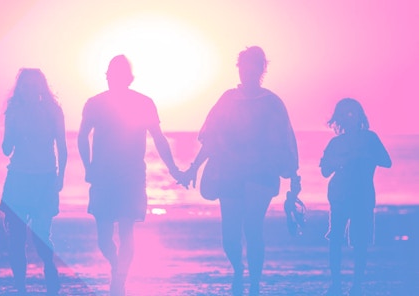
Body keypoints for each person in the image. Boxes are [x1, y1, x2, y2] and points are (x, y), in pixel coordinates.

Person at [181, 46, 301, 296]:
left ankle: (254, 283)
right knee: (230, 234)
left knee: (253, 227)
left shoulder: (272, 103)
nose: (247, 70)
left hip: (262, 174)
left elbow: (285, 140)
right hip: (229, 173)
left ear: (261, 69)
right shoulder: (228, 99)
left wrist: (293, 178)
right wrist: (194, 166)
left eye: (253, 65)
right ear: (239, 68)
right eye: (243, 65)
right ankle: (238, 269)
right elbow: (211, 138)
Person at [78, 55, 182, 296]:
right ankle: (117, 267)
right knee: (104, 238)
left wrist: (174, 169)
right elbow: (82, 136)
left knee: (127, 230)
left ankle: (120, 278)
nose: (114, 79)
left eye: (119, 75)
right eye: (111, 75)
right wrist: (88, 167)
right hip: (103, 175)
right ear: (107, 77)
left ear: (128, 78)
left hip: (132, 175)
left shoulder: (144, 103)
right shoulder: (95, 103)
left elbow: (158, 137)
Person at [0, 68, 66, 295]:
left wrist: (60, 177)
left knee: (41, 235)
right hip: (18, 178)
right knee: (16, 240)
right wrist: (13, 133)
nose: (30, 90)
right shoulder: (14, 112)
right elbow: (6, 148)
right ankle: (20, 287)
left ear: (41, 88)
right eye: (26, 86)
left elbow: (63, 148)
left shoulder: (53, 112)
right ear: (20, 89)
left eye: (35, 85)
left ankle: (50, 269)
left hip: (45, 179)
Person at [320, 98, 391, 296]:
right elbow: (325, 170)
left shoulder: (370, 138)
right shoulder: (335, 142)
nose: (350, 117)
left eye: (353, 113)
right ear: (339, 119)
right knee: (335, 239)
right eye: (345, 114)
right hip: (339, 195)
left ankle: (356, 286)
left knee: (360, 243)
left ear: (360, 116)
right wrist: (340, 161)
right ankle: (336, 285)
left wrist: (365, 155)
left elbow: (387, 161)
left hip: (363, 196)